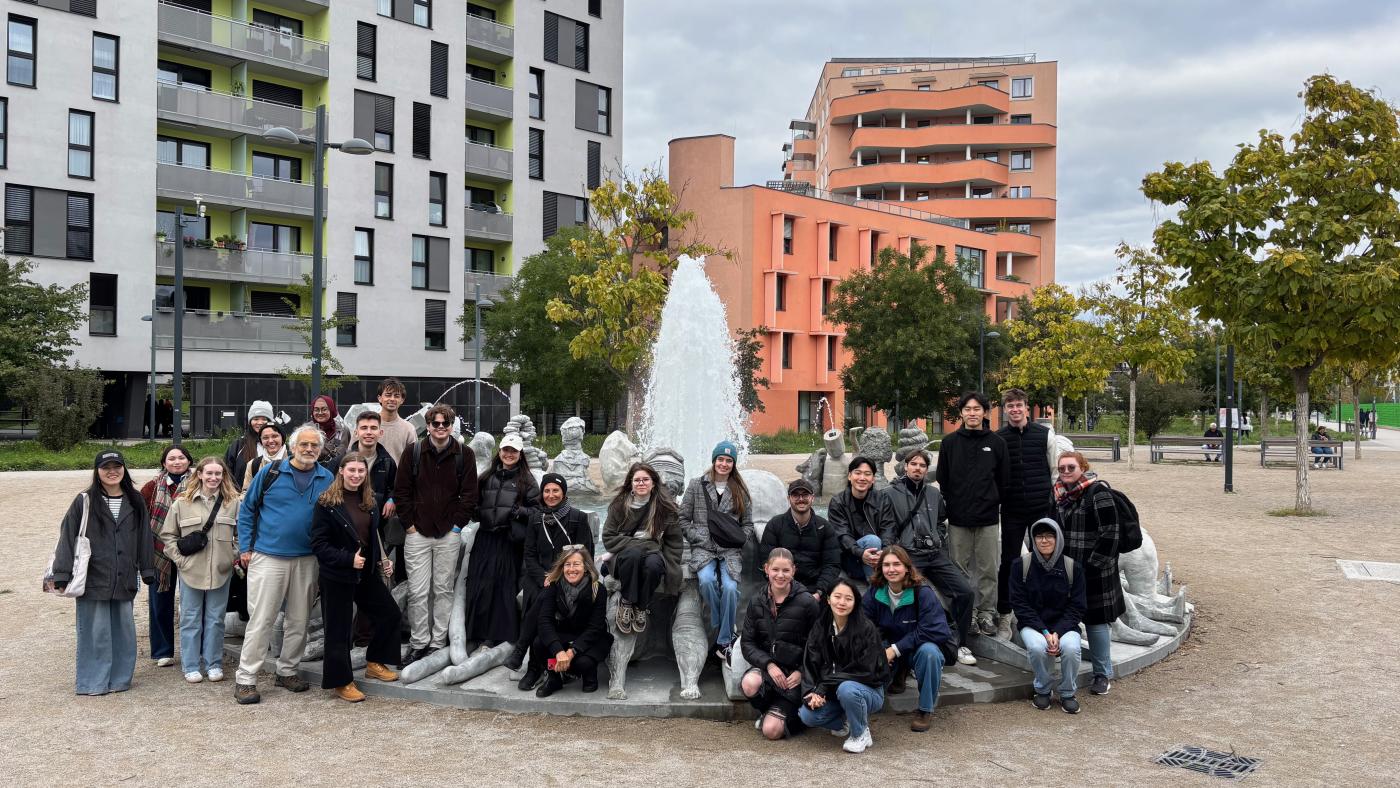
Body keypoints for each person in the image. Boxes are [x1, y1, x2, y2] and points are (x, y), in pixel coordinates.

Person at [233, 423, 335, 705]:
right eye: (304, 444)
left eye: (315, 445)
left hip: (307, 559)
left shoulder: (327, 477)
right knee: (262, 620)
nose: (309, 450)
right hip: (269, 557)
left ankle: (287, 670)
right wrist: (245, 547)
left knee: (299, 621)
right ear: (292, 446)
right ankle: (246, 678)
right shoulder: (271, 472)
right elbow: (248, 509)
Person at [47, 451, 155, 695]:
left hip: (125, 575)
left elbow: (145, 538)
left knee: (123, 632)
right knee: (95, 632)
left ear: (124, 469)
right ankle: (93, 682)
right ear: (97, 471)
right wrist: (62, 573)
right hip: (93, 577)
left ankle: (119, 680)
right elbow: (68, 535)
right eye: (106, 467)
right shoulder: (84, 500)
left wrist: (147, 568)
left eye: (117, 466)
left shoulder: (135, 500)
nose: (112, 471)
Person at [311, 455, 401, 703]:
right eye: (351, 470)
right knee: (338, 630)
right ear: (341, 471)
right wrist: (347, 559)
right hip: (337, 574)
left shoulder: (370, 501)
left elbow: (372, 536)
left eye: (361, 470)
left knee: (390, 614)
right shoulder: (326, 503)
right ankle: (341, 681)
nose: (356, 475)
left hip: (367, 572)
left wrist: (381, 559)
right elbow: (318, 544)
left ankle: (374, 662)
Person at [393, 403, 478, 664]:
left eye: (445, 423)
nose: (440, 428)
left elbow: (470, 495)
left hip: (448, 533)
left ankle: (438, 641)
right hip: (417, 532)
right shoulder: (414, 452)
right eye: (435, 423)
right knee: (418, 591)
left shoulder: (464, 454)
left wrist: (457, 526)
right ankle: (419, 642)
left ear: (451, 426)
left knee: (443, 589)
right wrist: (409, 525)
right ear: (428, 426)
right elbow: (402, 492)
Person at [880, 449, 977, 667]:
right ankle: (911, 653)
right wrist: (893, 552)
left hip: (934, 555)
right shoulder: (889, 493)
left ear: (926, 469)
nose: (917, 468)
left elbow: (941, 521)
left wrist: (938, 538)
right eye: (913, 464)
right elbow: (886, 525)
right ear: (906, 466)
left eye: (922, 465)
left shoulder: (933, 494)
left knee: (965, 592)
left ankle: (960, 643)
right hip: (908, 555)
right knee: (914, 597)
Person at [507, 473, 594, 688]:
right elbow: (529, 554)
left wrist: (558, 577)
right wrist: (543, 576)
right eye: (547, 490)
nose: (551, 495)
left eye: (555, 490)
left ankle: (527, 658)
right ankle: (535, 666)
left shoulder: (577, 518)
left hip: (569, 577)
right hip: (540, 578)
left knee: (544, 599)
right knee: (539, 594)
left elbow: (586, 554)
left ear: (563, 492)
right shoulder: (536, 518)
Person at [159, 456, 240, 683]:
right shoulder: (182, 503)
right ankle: (191, 664)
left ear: (223, 476)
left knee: (216, 619)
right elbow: (168, 536)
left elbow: (241, 535)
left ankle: (213, 663)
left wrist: (231, 557)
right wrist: (180, 561)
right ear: (200, 475)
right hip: (191, 571)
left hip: (221, 570)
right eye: (209, 473)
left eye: (218, 474)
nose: (213, 478)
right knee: (190, 618)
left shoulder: (232, 503)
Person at [935, 392, 1009, 637]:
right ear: (962, 413)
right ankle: (970, 613)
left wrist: (993, 500)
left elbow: (1003, 479)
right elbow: (943, 478)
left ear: (985, 413)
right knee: (959, 569)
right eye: (968, 409)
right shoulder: (950, 443)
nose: (973, 413)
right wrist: (955, 501)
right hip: (958, 518)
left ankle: (987, 613)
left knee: (989, 568)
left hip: (988, 517)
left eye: (977, 409)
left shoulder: (997, 443)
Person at [1052, 450, 1123, 698]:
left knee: (1096, 622)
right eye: (1062, 468)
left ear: (1082, 467)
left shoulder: (1099, 493)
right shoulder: (1060, 495)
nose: (1066, 472)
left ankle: (1102, 673)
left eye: (1071, 467)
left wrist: (1090, 568)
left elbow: (1111, 534)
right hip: (1067, 569)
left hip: (1095, 571)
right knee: (1068, 618)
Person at [861, 546, 955, 732]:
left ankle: (925, 710)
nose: (891, 569)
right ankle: (896, 674)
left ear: (907, 567)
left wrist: (894, 649)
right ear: (880, 568)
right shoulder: (875, 592)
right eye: (886, 565)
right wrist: (879, 650)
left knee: (930, 653)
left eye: (897, 564)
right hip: (889, 649)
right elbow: (864, 626)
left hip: (916, 649)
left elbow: (936, 631)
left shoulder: (923, 593)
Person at [679, 441, 754, 662]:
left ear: (733, 464)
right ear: (714, 461)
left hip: (730, 550)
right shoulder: (696, 485)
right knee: (706, 581)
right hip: (703, 549)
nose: (724, 464)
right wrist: (698, 537)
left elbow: (748, 524)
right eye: (720, 459)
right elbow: (682, 518)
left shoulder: (740, 490)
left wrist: (741, 539)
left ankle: (723, 641)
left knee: (731, 588)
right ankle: (726, 627)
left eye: (728, 460)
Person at [798, 578, 889, 754]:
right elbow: (810, 661)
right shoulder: (821, 626)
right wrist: (812, 691)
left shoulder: (866, 629)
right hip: (833, 691)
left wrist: (824, 686)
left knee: (847, 689)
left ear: (855, 603)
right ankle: (848, 721)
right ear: (828, 599)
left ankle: (860, 733)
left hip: (868, 691)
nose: (842, 602)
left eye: (848, 598)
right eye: (837, 596)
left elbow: (865, 671)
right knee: (807, 715)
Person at [464, 434, 539, 647]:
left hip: (508, 540)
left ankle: (498, 634)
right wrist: (477, 512)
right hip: (485, 537)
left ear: (520, 454)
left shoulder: (527, 480)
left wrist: (519, 511)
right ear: (500, 451)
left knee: (502, 586)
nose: (509, 454)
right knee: (479, 583)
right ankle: (475, 631)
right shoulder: (487, 477)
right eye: (506, 449)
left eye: (513, 451)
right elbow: (473, 503)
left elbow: (538, 510)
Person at [995, 388, 1059, 639]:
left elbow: (1054, 470)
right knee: (1009, 562)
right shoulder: (999, 438)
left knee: (1043, 558)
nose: (1015, 410)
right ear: (1005, 409)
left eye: (1019, 405)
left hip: (1040, 506)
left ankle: (1044, 610)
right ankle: (1004, 613)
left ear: (1026, 407)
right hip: (1011, 508)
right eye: (1010, 406)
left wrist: (1050, 498)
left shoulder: (1045, 435)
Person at [740, 548, 820, 740]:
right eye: (775, 569)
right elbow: (748, 643)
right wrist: (769, 664)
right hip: (771, 670)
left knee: (771, 732)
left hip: (796, 675)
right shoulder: (756, 601)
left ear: (794, 570)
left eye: (786, 570)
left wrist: (802, 671)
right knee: (750, 683)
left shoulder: (808, 603)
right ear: (767, 569)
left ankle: (801, 716)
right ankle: (767, 710)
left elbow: (818, 645)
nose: (780, 575)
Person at [1009, 518, 1087, 713]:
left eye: (1049, 536)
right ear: (1033, 540)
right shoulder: (1021, 566)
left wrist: (1058, 632)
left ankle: (1068, 692)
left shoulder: (1072, 567)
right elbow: (1020, 604)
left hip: (1065, 625)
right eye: (1039, 536)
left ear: (1058, 538)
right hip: (1033, 624)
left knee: (1070, 648)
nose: (1044, 541)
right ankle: (1043, 689)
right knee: (1037, 647)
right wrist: (1045, 632)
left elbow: (1077, 606)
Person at [600, 463, 683, 633]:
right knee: (634, 555)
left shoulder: (665, 508)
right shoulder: (619, 505)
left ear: (653, 483)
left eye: (646, 479)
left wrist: (672, 564)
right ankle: (627, 602)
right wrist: (647, 543)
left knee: (654, 566)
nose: (641, 483)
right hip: (625, 555)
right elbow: (608, 537)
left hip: (652, 554)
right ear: (631, 483)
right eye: (637, 480)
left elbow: (674, 540)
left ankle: (641, 606)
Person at [138, 444, 193, 668]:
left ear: (189, 461)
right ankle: (163, 650)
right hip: (159, 550)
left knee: (192, 602)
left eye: (181, 457)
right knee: (160, 600)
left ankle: (193, 650)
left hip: (191, 549)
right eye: (172, 458)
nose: (177, 462)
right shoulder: (152, 487)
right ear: (164, 463)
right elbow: (141, 517)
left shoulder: (200, 482)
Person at [531, 547, 613, 697]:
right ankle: (554, 678)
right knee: (539, 643)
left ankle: (589, 675)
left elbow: (595, 628)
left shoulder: (597, 589)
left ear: (586, 567)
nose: (571, 569)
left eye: (576, 564)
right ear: (562, 567)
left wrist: (571, 652)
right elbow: (544, 621)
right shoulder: (554, 586)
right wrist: (558, 651)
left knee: (583, 663)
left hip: (589, 638)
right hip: (565, 634)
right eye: (567, 564)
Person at [759, 478, 841, 601]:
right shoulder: (775, 524)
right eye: (796, 495)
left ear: (812, 498)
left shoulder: (824, 527)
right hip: (782, 587)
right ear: (788, 499)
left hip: (815, 591)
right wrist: (783, 588)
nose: (801, 499)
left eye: (805, 495)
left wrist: (819, 592)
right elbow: (766, 562)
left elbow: (832, 565)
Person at [828, 456, 886, 582]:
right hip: (851, 556)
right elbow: (842, 535)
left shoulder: (882, 499)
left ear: (873, 479)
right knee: (873, 540)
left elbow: (889, 528)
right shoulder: (838, 502)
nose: (862, 478)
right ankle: (876, 588)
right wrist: (860, 552)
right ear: (849, 476)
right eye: (857, 473)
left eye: (867, 474)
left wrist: (885, 551)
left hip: (877, 555)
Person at [226, 400, 274, 490]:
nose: (260, 422)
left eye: (264, 419)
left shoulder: (278, 445)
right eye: (256, 419)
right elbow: (228, 472)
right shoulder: (238, 445)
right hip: (243, 497)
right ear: (250, 421)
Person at [375, 377, 418, 464]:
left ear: (402, 400)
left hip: (399, 477)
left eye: (396, 396)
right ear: (380, 398)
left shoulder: (408, 429)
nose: (392, 399)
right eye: (388, 395)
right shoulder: (367, 426)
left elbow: (414, 459)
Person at [241, 423, 287, 493]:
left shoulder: (295, 461)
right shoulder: (253, 465)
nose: (270, 441)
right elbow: (246, 492)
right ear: (261, 441)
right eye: (265, 438)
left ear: (282, 438)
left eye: (275, 436)